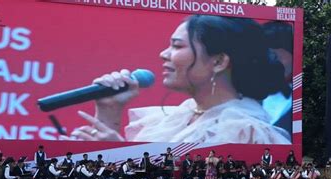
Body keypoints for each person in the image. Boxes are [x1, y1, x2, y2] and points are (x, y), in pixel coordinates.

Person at [67, 15, 290, 144]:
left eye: (177, 46)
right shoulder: (177, 117)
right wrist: (110, 111)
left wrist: (118, 151)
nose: (163, 54)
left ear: (219, 61)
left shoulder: (247, 131)